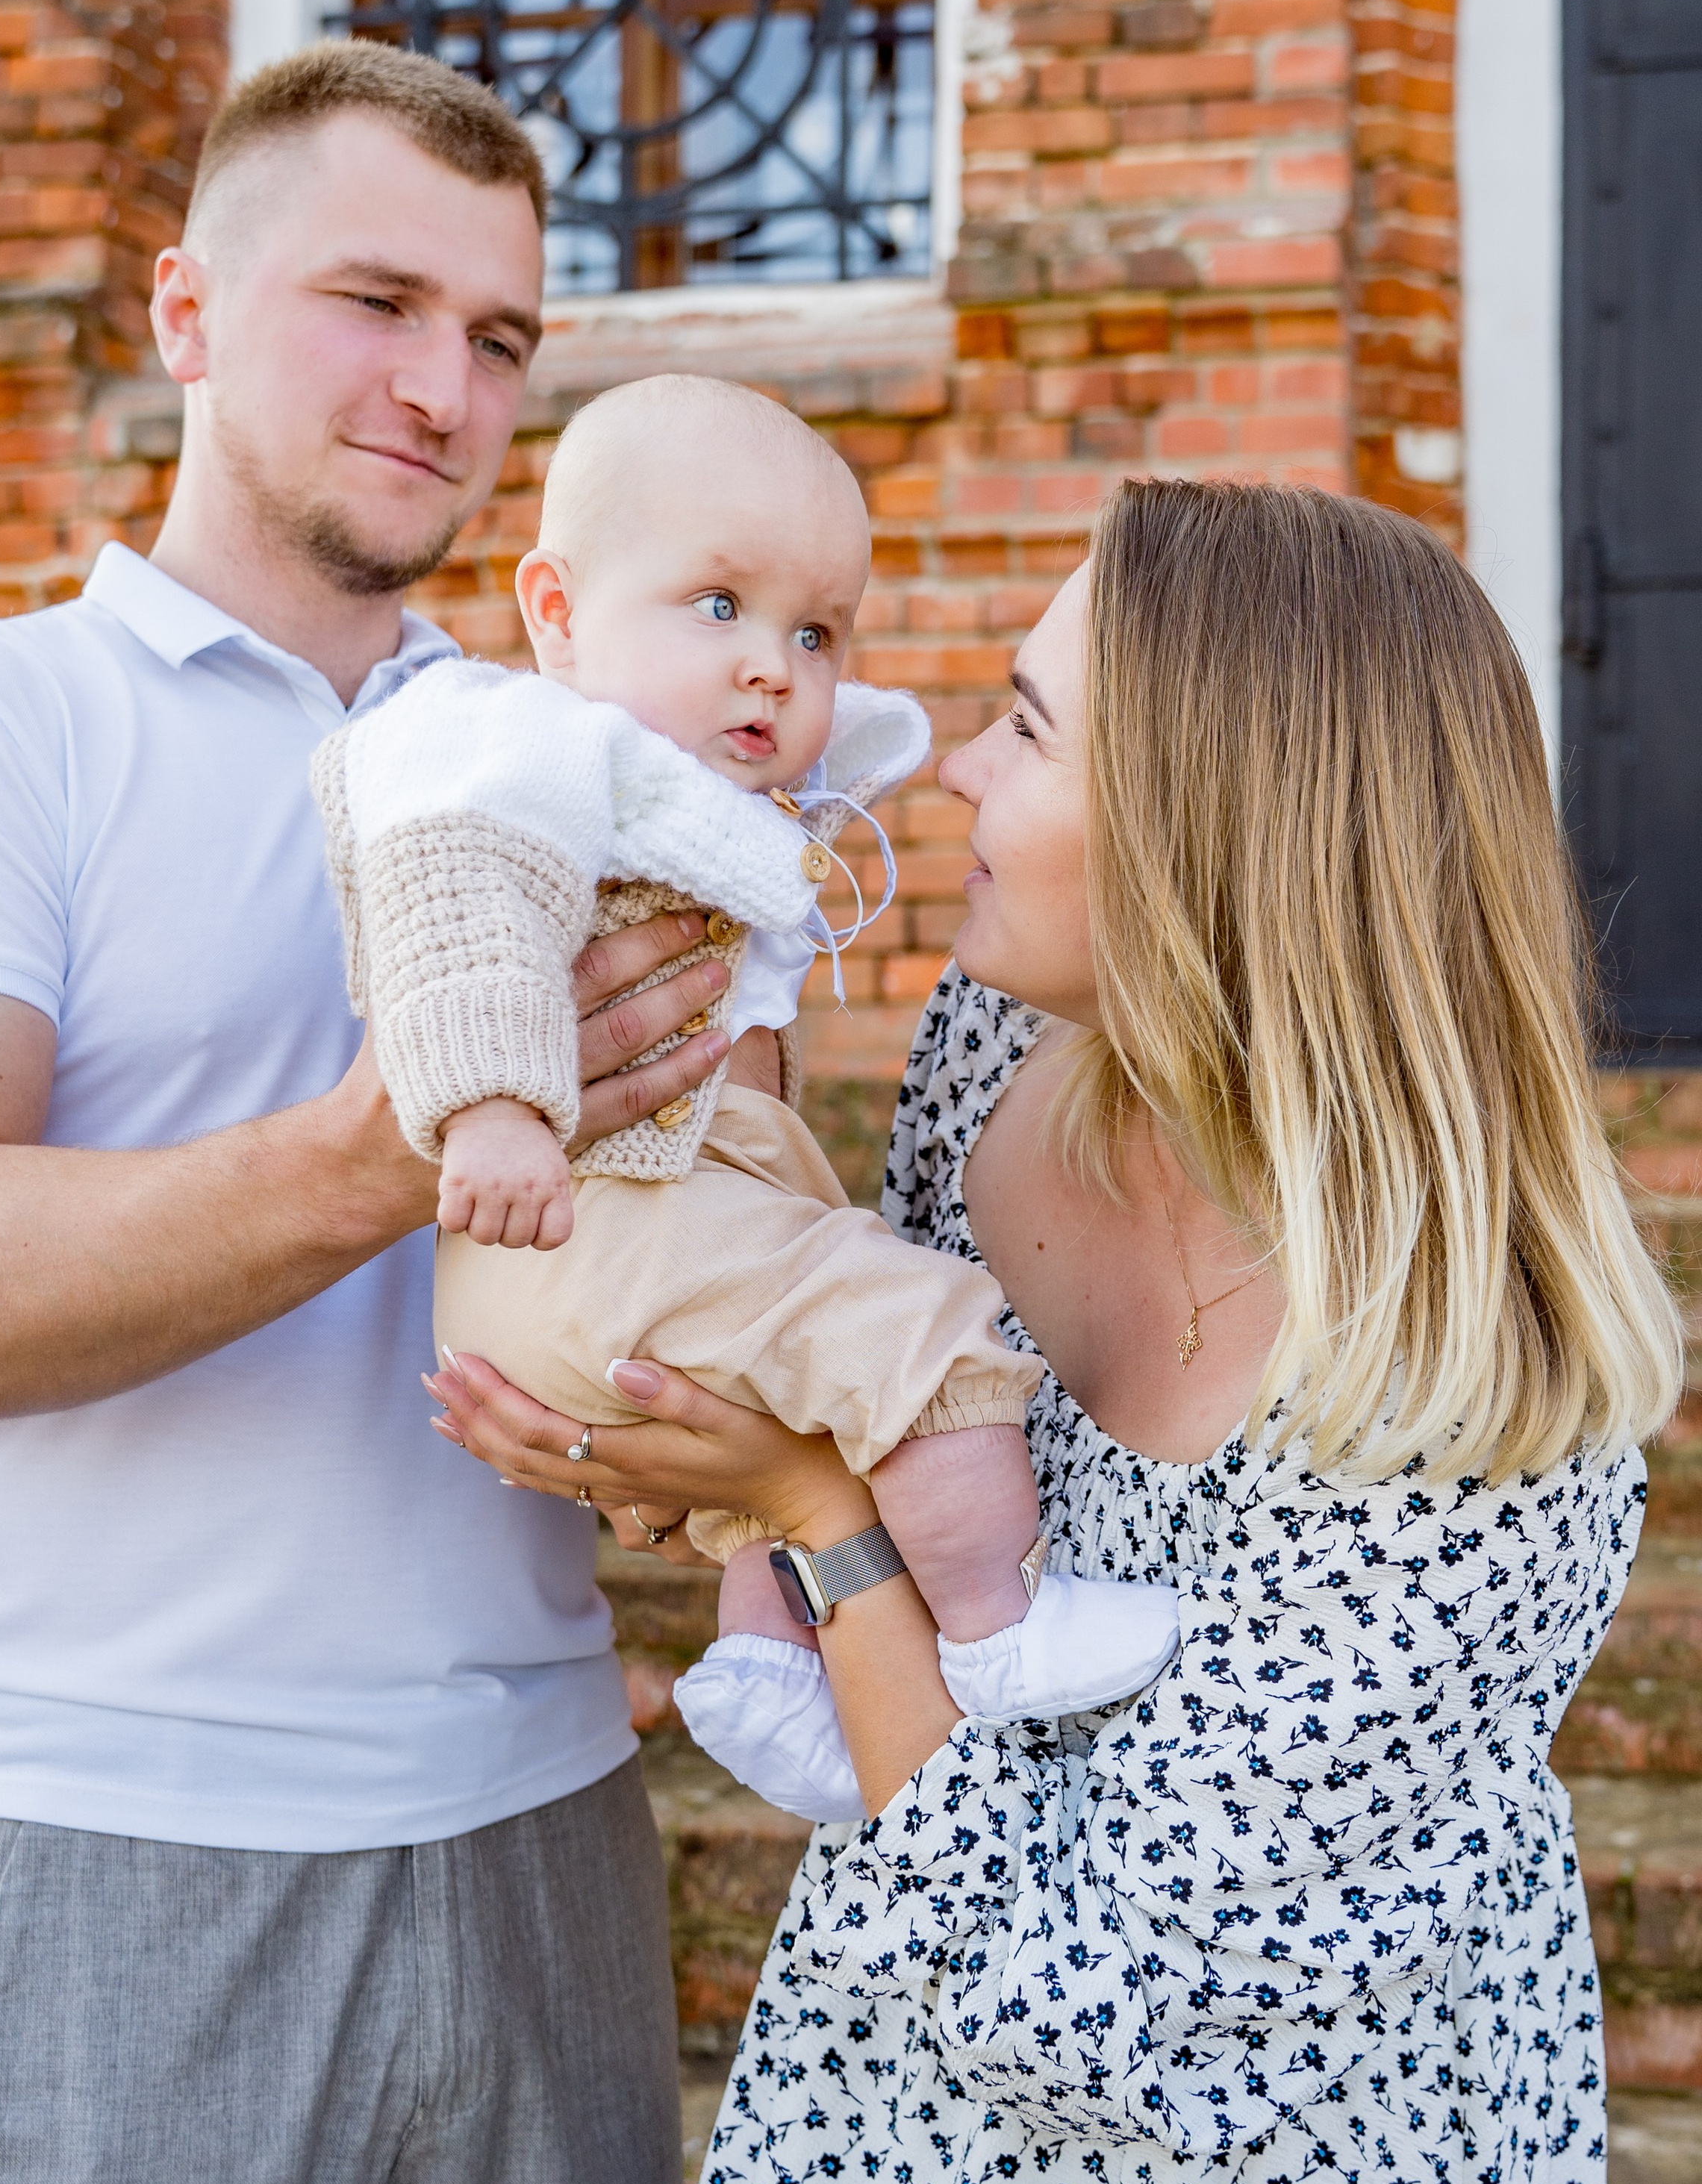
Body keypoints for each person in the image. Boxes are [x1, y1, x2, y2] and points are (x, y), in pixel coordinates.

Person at [427, 474, 1683, 2184]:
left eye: (1024, 728)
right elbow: (888, 1448)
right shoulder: (987, 1055)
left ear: (1211, 830)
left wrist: (817, 1524)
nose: (947, 779)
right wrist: (675, 1429)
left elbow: (1089, 1993)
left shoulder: (1475, 1411)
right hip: (880, 2180)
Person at [0, 43, 736, 2184]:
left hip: (538, 1829)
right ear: (187, 310)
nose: (448, 386)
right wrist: (399, 1138)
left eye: (507, 337)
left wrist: (693, 1426)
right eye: (377, 301)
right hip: (111, 1852)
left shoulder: (578, 754)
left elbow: (680, 1280)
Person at [328, 372, 1178, 1820]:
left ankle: (764, 1658)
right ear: (554, 608)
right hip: (580, 1230)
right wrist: (489, 1109)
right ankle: (998, 1620)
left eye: (813, 630)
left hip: (645, 1235)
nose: (774, 669)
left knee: (808, 1369)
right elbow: (449, 904)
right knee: (915, 1326)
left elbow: (848, 768)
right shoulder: (516, 747)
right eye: (715, 605)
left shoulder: (706, 794)